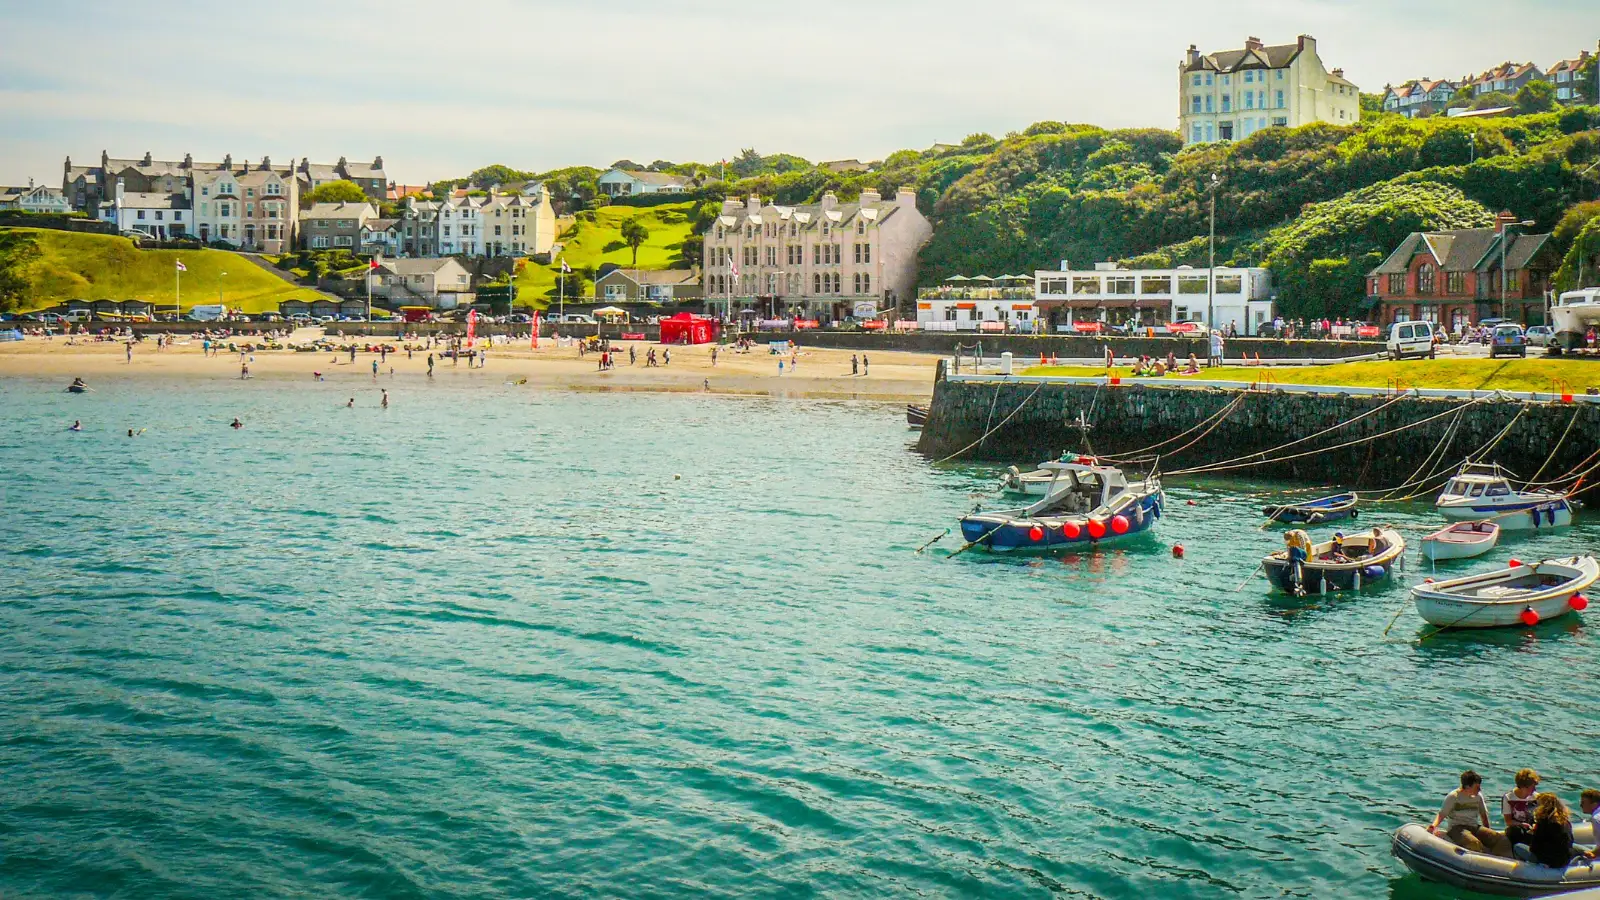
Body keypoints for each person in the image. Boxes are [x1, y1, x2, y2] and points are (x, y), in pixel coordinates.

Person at [1429, 770, 1511, 857]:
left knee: (1500, 839)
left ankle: (1498, 857)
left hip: (1473, 826)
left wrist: (1487, 834)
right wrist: (1433, 826)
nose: (1479, 789)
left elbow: (1483, 816)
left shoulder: (1478, 797)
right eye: (1477, 787)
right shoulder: (1453, 797)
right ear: (1467, 786)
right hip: (1456, 828)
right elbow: (1442, 814)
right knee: (1474, 843)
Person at [1523, 793, 1579, 868]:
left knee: (1517, 846)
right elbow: (1570, 841)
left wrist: (1534, 833)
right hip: (1564, 860)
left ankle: (1530, 867)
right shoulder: (1565, 822)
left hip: (1548, 861)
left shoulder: (1543, 822)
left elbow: (1534, 848)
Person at [1502, 769, 1541, 849]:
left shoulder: (1537, 797)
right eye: (1532, 787)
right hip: (1516, 827)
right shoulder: (1508, 797)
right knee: (1515, 832)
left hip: (1532, 827)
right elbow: (1508, 821)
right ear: (1524, 787)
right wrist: (1521, 824)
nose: (1535, 789)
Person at [1283, 529, 1312, 597]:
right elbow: (1288, 547)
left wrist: (1301, 556)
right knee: (1292, 549)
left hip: (1304, 544)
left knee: (1307, 546)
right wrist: (1289, 556)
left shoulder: (1299, 535)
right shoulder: (1287, 537)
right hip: (1295, 546)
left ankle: (1308, 562)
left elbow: (1303, 547)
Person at [1578, 790, 1600, 861]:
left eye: (1583, 803)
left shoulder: (1596, 818)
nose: (1580, 805)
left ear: (1594, 804)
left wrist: (1594, 854)